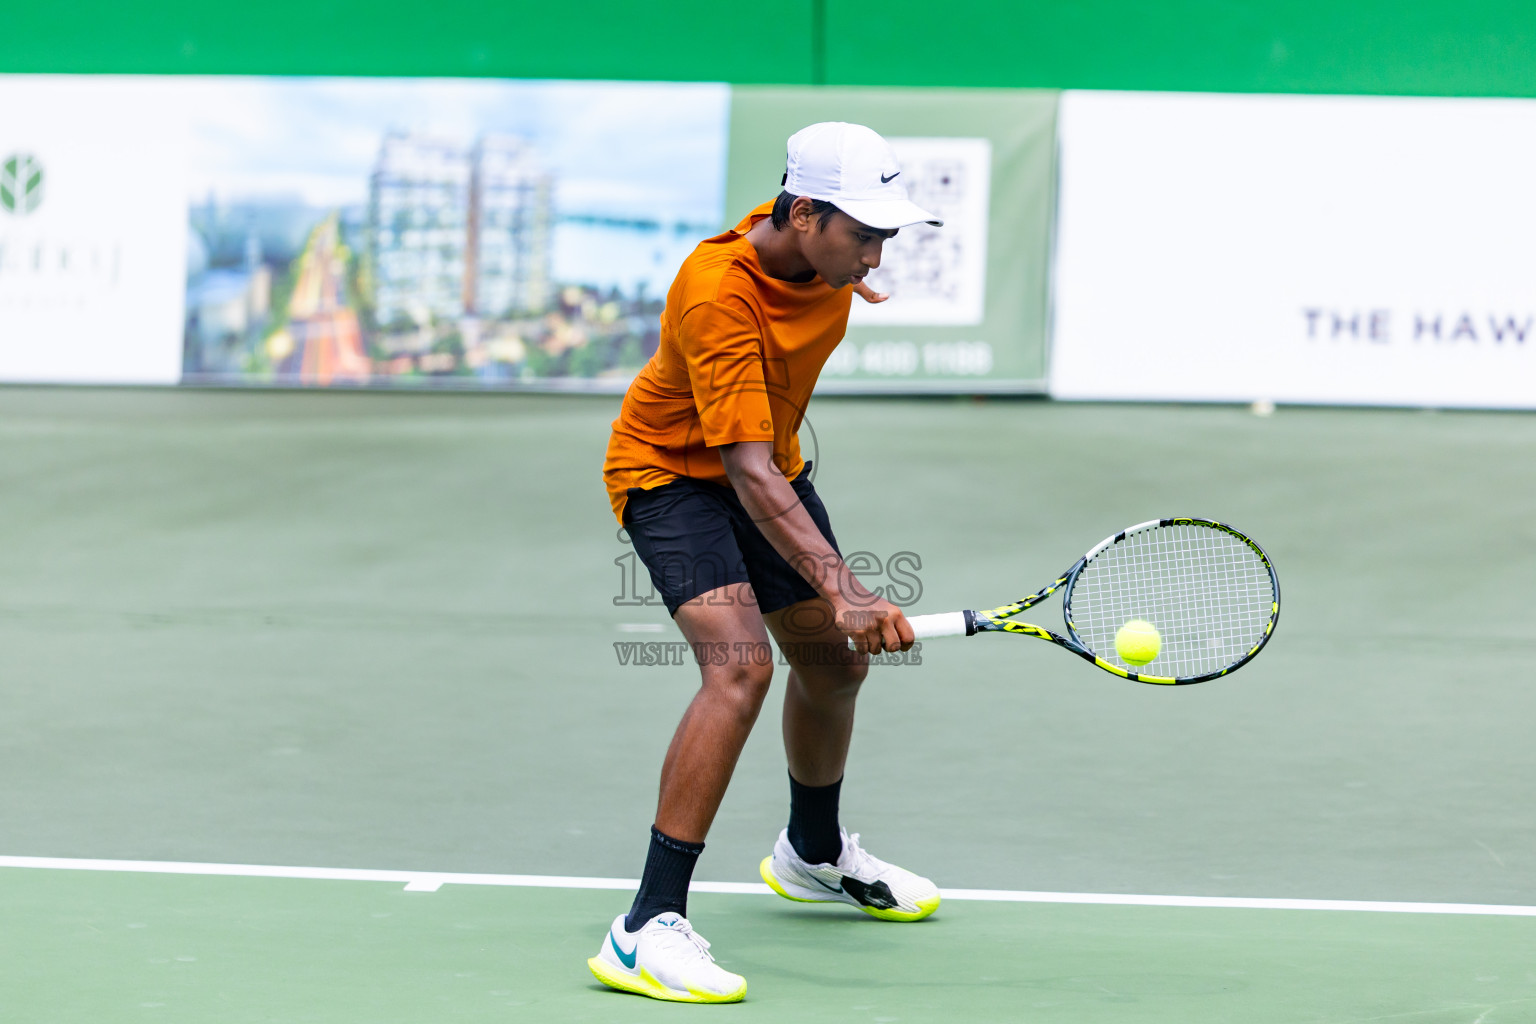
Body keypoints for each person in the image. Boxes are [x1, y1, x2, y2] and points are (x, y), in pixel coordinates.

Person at [590, 122, 944, 1004]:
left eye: (885, 235)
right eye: (862, 234)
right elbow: (740, 468)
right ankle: (644, 927)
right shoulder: (718, 294)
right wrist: (846, 587)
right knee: (739, 668)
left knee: (833, 660)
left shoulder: (815, 253)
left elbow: (763, 461)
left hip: (766, 467)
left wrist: (842, 610)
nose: (875, 254)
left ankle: (812, 854)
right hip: (671, 475)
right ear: (804, 214)